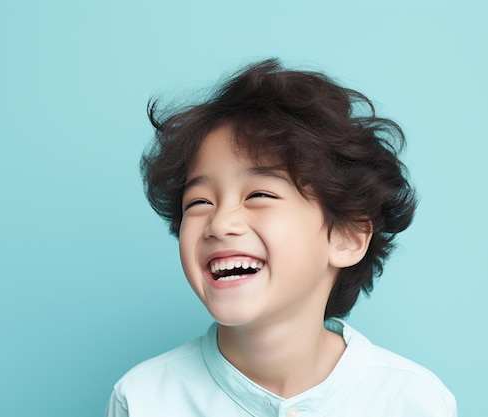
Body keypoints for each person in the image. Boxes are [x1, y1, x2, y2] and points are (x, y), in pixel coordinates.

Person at [105, 59, 457, 417]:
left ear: (347, 236)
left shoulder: (413, 401)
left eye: (259, 195)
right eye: (199, 202)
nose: (220, 222)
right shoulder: (142, 399)